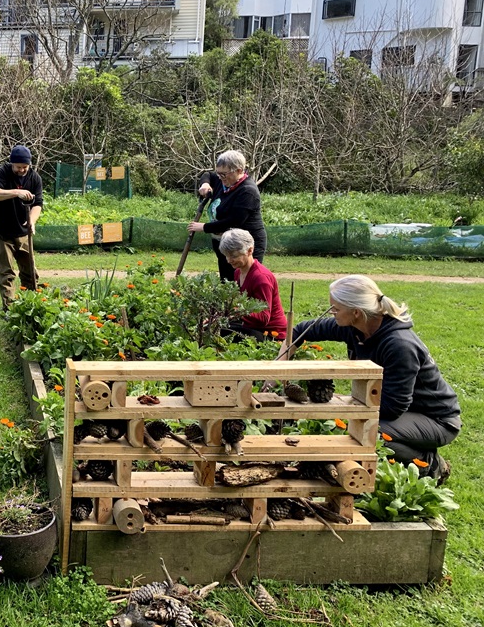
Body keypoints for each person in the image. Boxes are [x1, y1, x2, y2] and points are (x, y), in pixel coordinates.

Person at [292, 274, 461, 482]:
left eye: (335, 308)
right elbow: (301, 331)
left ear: (355, 312)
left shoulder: (399, 345)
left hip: (436, 419)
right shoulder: (354, 328)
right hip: (405, 411)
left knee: (367, 430)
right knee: (357, 425)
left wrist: (344, 404)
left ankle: (430, 464)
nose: (331, 313)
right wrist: (275, 369)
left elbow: (393, 406)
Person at [188, 150, 266, 283]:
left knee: (245, 283)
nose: (220, 177)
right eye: (219, 173)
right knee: (227, 283)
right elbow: (208, 175)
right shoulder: (222, 181)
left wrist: (205, 227)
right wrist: (205, 184)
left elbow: (234, 221)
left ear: (239, 170)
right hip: (226, 243)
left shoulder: (247, 191)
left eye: (223, 174)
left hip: (244, 246)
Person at [0, 145, 44, 310]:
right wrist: (16, 192)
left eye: (25, 167)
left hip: (23, 233)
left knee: (30, 272)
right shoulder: (1, 173)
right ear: (11, 163)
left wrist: (32, 220)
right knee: (7, 273)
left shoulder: (35, 178)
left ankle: (32, 305)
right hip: (2, 233)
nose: (22, 170)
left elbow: (38, 204)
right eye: (18, 167)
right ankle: (10, 310)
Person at [218, 228, 286, 340]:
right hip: (253, 327)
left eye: (234, 256)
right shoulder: (238, 272)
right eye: (227, 256)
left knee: (222, 332)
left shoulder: (261, 278)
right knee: (213, 326)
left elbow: (263, 318)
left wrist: (235, 311)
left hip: (271, 335)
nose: (229, 260)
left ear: (249, 251)